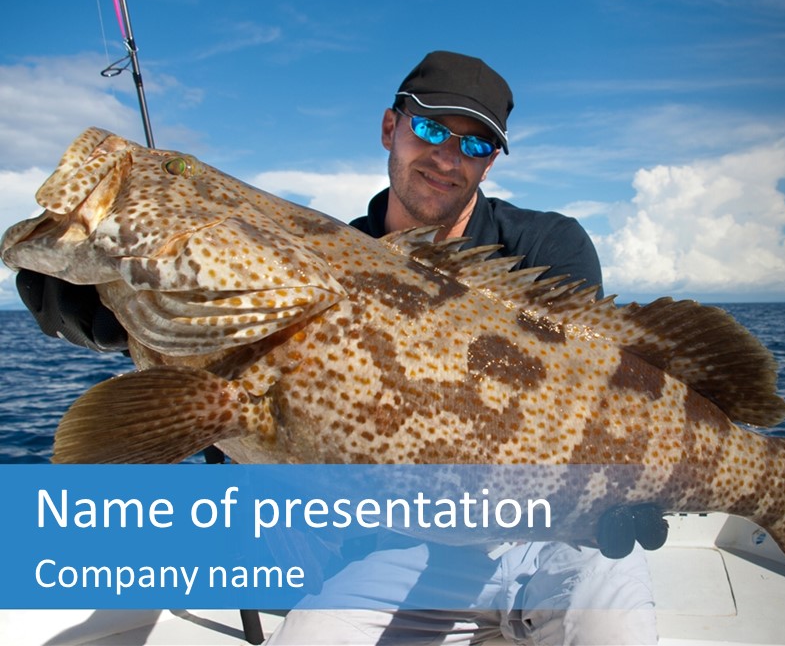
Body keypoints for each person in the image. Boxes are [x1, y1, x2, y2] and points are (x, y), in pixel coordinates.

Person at [17, 51, 661, 644]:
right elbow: (217, 348)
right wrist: (111, 313)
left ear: (490, 161)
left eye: (474, 144)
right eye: (431, 130)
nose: (447, 157)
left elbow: (596, 392)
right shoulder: (320, 252)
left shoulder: (547, 250)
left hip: (560, 538)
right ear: (390, 127)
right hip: (406, 549)